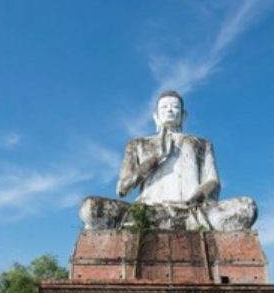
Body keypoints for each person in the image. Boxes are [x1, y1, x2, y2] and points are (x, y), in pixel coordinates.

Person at [79, 90, 256, 231]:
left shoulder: (201, 144)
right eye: (164, 108)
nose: (170, 110)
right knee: (91, 207)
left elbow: (213, 182)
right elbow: (122, 189)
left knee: (246, 207)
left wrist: (195, 198)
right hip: (148, 212)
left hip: (192, 212)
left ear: (183, 115)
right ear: (156, 116)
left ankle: (184, 220)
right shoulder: (138, 144)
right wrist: (155, 158)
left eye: (174, 107)